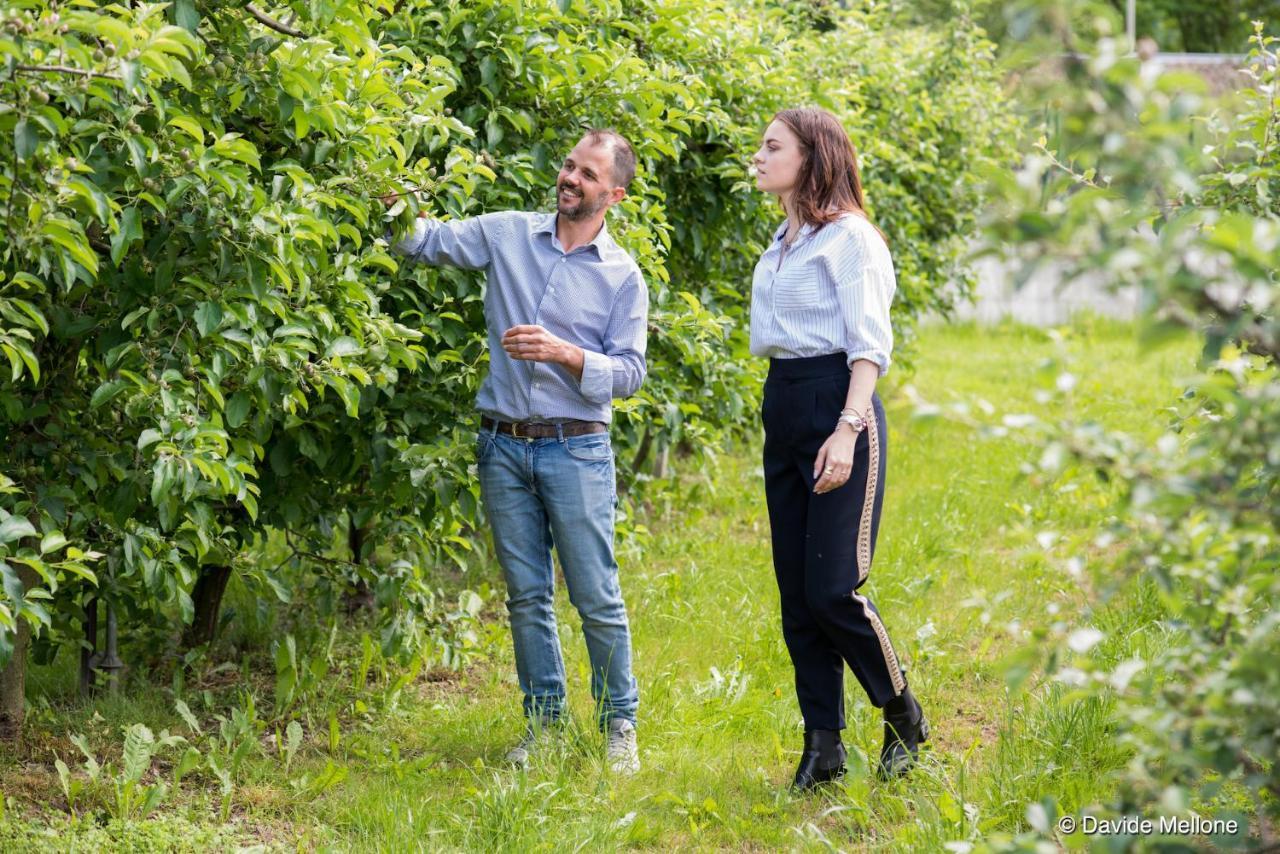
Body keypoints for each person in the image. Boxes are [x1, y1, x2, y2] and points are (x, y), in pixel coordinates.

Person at [387, 129, 647, 774]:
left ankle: (619, 725)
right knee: (527, 596)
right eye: (567, 165)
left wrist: (564, 352)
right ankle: (545, 726)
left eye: (587, 174)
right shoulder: (507, 234)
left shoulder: (622, 276)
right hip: (502, 444)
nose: (570, 178)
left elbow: (631, 373)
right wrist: (382, 196)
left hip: (577, 448)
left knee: (596, 596)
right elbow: (426, 241)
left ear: (612, 194)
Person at [748, 107, 929, 790]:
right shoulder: (782, 239)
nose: (759, 157)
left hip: (837, 403)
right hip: (785, 402)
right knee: (796, 597)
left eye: (773, 147)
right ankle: (823, 746)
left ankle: (902, 710)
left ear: (813, 155)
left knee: (832, 589)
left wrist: (847, 429)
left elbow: (868, 346)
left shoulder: (851, 239)